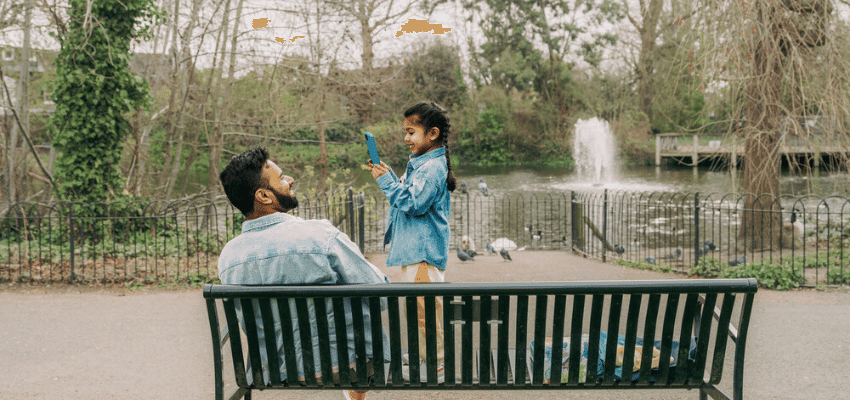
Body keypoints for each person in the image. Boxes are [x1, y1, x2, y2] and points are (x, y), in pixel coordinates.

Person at [218, 146, 389, 400]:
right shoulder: (321, 236)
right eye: (282, 176)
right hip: (347, 366)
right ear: (264, 196)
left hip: (274, 371)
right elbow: (380, 293)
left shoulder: (228, 258)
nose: (290, 180)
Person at [365, 101, 457, 380]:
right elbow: (406, 191)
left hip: (423, 253)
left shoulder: (431, 169)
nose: (406, 138)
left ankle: (438, 366)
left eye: (411, 132)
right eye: (405, 132)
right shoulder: (422, 164)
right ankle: (422, 354)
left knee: (425, 313)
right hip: (416, 252)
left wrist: (387, 183)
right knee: (418, 309)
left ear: (432, 133)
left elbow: (413, 203)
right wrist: (388, 175)